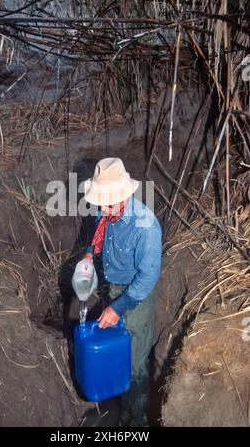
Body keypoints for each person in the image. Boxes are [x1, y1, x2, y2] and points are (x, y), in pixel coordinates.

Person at [81, 157, 162, 427]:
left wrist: (117, 308)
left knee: (135, 364)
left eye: (108, 202)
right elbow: (98, 234)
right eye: (100, 201)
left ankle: (135, 422)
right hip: (114, 286)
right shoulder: (107, 210)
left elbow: (148, 278)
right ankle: (116, 398)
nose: (102, 208)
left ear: (124, 194)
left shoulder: (146, 227)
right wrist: (89, 256)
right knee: (117, 347)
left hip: (137, 294)